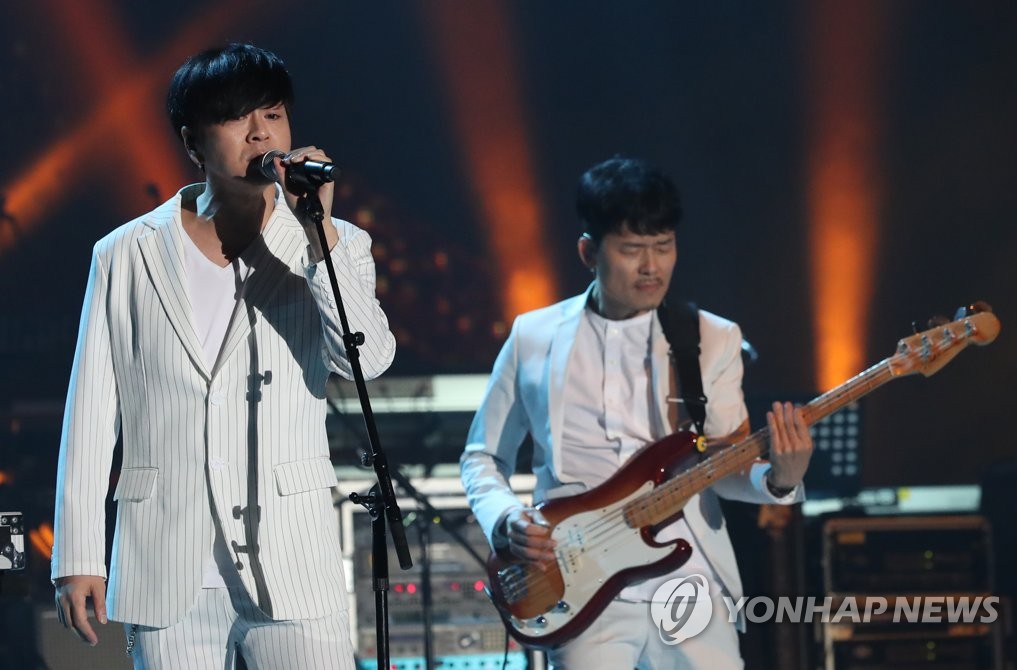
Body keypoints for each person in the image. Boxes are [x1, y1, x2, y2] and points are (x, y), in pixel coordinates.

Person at [51, 43, 396, 669]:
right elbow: (92, 412)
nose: (261, 133)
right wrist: (77, 555)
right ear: (193, 142)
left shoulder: (335, 243)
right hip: (165, 560)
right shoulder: (126, 252)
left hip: (291, 557)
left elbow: (364, 362)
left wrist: (317, 236)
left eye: (274, 114)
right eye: (237, 117)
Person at [460, 156, 813, 668]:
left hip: (687, 579)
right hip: (578, 583)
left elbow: (723, 467)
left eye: (663, 247)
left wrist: (779, 479)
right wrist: (505, 518)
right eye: (631, 250)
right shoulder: (532, 338)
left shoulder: (711, 338)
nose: (652, 267)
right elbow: (482, 456)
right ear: (589, 252)